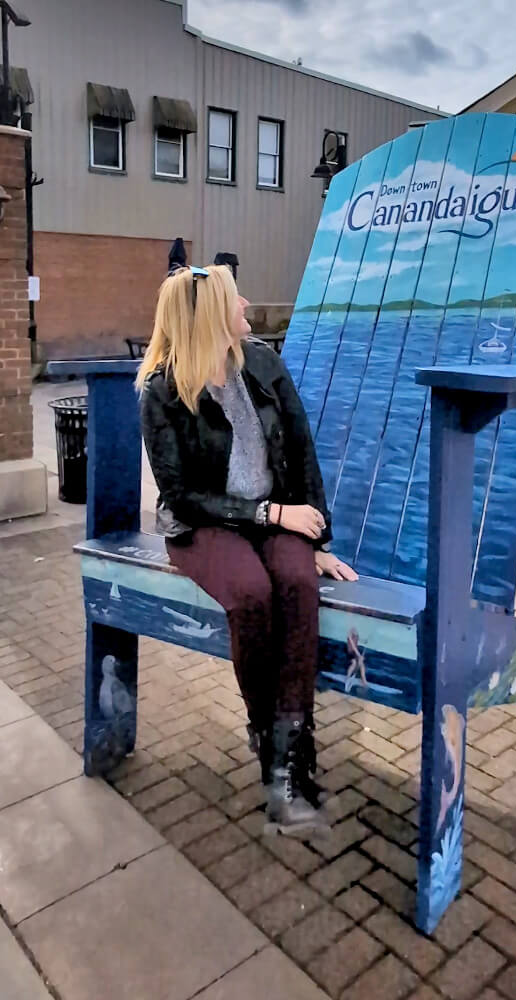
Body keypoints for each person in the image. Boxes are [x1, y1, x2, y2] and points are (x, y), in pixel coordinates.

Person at [137, 264, 358, 836]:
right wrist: (269, 515)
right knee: (253, 593)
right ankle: (272, 756)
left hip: (277, 518)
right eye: (236, 299)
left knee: (297, 584)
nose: (248, 303)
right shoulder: (162, 390)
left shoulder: (261, 363)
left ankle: (293, 745)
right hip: (203, 527)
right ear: (210, 315)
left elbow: (302, 453)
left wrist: (316, 539)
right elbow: (181, 495)